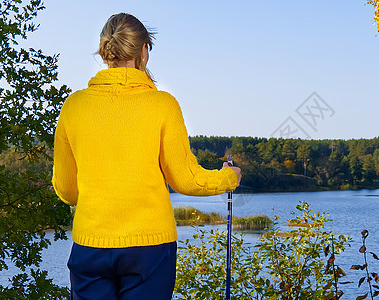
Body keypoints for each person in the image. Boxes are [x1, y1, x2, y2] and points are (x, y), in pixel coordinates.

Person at [52, 13, 241, 300]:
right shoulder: (162, 105)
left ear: (105, 51)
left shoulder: (73, 107)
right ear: (144, 51)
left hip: (90, 245)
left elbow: (66, 190)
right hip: (149, 250)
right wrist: (228, 177)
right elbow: (185, 180)